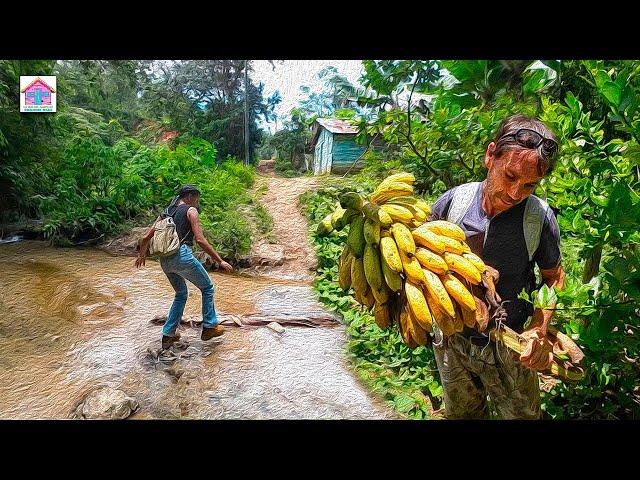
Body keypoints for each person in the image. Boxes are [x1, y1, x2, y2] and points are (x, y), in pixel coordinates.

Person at [429, 114, 566, 419]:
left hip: (512, 343)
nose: (516, 193)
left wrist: (538, 331)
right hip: (454, 340)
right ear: (490, 155)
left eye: (530, 185)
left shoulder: (538, 219)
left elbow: (554, 278)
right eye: (510, 176)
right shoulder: (452, 204)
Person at [135, 185, 234, 349]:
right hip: (182, 256)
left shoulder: (167, 211)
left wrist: (142, 255)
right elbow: (200, 240)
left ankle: (168, 335)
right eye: (197, 199)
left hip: (165, 260)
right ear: (190, 196)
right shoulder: (191, 211)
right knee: (208, 287)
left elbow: (146, 237)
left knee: (181, 294)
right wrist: (219, 260)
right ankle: (209, 327)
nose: (197, 203)